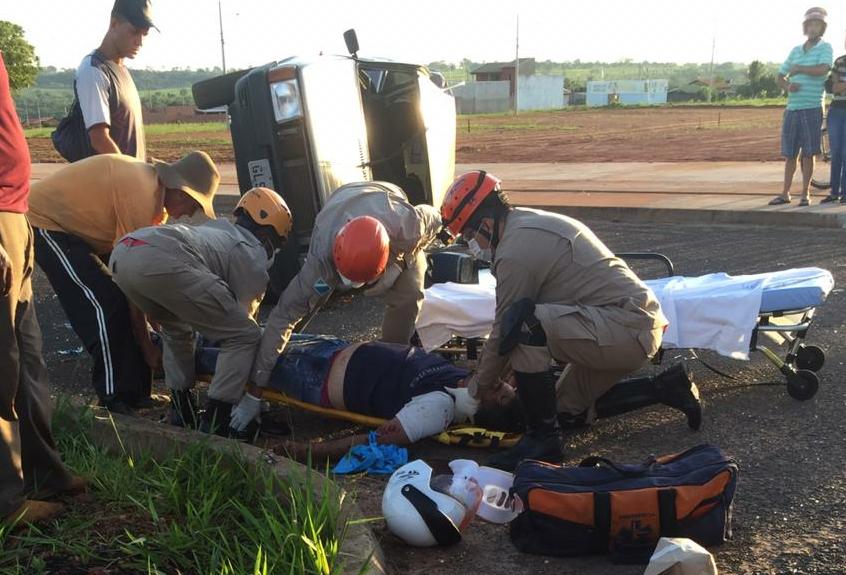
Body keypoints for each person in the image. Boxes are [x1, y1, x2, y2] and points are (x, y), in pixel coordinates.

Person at [440, 171, 699, 472]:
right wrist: (503, 376)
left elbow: (505, 330)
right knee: (565, 412)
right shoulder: (525, 224)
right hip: (624, 326)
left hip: (625, 327)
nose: (472, 244)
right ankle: (668, 387)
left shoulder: (514, 252)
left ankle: (543, 441)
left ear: (485, 224)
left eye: (470, 235)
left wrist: (474, 392)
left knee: (523, 325)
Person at [192, 334, 701, 460]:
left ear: (491, 405)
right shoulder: (468, 379)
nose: (499, 380)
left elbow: (383, 436)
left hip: (315, 377)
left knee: (230, 358)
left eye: (502, 388)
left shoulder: (442, 406)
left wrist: (300, 452)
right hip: (333, 350)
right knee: (247, 338)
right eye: (505, 380)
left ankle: (172, 355)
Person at [27, 151, 220, 414]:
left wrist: (155, 319)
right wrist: (147, 345)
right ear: (181, 192)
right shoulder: (142, 194)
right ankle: (113, 399)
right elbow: (131, 282)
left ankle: (138, 395)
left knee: (124, 306)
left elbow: (141, 284)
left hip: (87, 231)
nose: (188, 213)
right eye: (193, 204)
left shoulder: (154, 199)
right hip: (46, 223)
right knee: (103, 308)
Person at [240, 181, 443, 424]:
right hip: (342, 206)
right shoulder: (320, 262)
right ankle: (287, 350)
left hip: (388, 208)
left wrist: (401, 263)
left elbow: (436, 219)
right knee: (304, 303)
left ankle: (391, 364)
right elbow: (283, 315)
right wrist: (255, 390)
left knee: (408, 297)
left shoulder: (409, 225)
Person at [109, 187, 292, 438]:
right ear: (266, 235)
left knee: (177, 329)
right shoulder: (251, 251)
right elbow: (243, 323)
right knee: (244, 336)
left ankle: (181, 411)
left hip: (125, 254)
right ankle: (217, 421)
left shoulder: (218, 230)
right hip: (160, 258)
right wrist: (251, 394)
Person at [0, 51, 85, 528]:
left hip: (16, 216)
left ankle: (44, 472)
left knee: (29, 361)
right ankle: (6, 502)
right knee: (2, 366)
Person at [769, 7, 833, 207]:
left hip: (812, 106)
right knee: (790, 153)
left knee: (809, 152)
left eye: (817, 25)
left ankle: (805, 194)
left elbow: (823, 69)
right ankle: (785, 192)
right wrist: (788, 85)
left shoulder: (825, 48)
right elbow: (780, 76)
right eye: (810, 24)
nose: (813, 28)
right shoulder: (796, 50)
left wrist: (799, 69)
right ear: (805, 27)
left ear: (821, 28)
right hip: (792, 107)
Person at [75, 0, 155, 158]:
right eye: (134, 32)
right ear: (114, 24)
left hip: (131, 179)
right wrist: (133, 173)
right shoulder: (93, 70)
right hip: (113, 181)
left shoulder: (122, 70)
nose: (140, 42)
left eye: (144, 34)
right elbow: (99, 139)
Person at [821, 35, 846, 203]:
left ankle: (844, 193)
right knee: (835, 152)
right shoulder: (840, 61)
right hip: (836, 110)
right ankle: (834, 191)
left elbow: (838, 86)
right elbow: (830, 86)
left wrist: (841, 83)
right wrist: (838, 85)